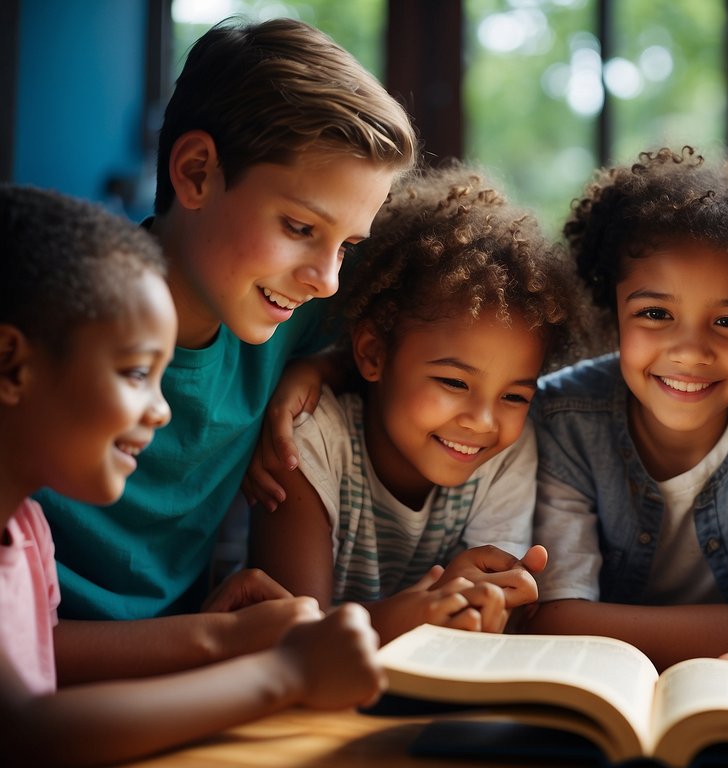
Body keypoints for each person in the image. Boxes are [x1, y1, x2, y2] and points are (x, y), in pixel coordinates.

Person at [31, 18, 417, 683]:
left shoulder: (293, 316)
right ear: (196, 172)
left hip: (181, 684)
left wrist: (312, 368)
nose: (326, 278)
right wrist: (220, 639)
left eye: (347, 246)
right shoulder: (45, 337)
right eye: (300, 227)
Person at [0, 184, 385, 766]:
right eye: (134, 373)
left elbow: (39, 662)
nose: (160, 410)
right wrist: (286, 673)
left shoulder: (24, 530)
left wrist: (232, 637)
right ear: (11, 364)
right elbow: (25, 730)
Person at [524, 143, 728, 669]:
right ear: (612, 309)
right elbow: (554, 618)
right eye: (654, 312)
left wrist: (590, 623)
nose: (691, 350)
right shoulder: (564, 414)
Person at [248, 166, 580, 643]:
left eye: (514, 395)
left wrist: (479, 601)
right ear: (372, 354)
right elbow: (287, 636)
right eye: (452, 381)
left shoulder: (506, 453)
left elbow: (488, 616)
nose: (483, 421)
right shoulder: (309, 439)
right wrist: (420, 613)